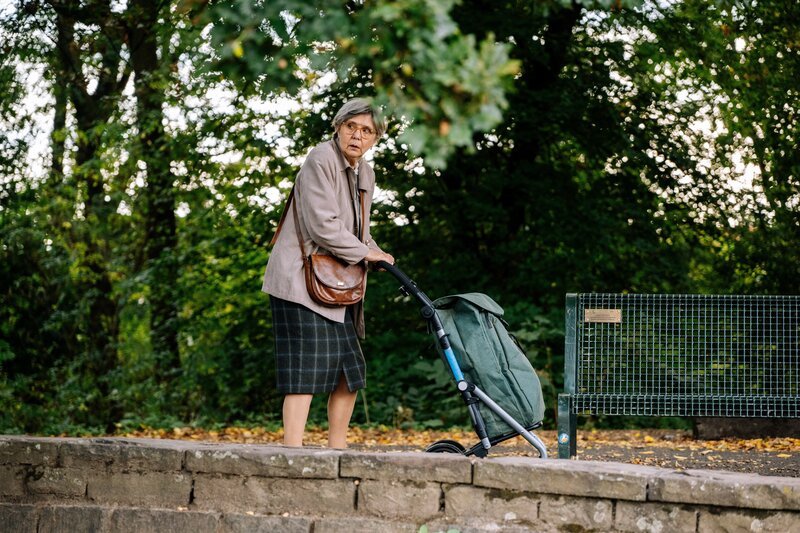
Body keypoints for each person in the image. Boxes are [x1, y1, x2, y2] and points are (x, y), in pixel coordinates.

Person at [262, 97, 395, 448]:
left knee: (349, 372)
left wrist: (376, 252)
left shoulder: (365, 173)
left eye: (367, 131)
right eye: (351, 126)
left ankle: (337, 451)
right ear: (338, 127)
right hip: (299, 279)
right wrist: (364, 253)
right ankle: (292, 452)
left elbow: (358, 231)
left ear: (375, 139)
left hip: (336, 283)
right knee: (303, 373)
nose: (357, 136)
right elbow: (323, 225)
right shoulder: (320, 159)